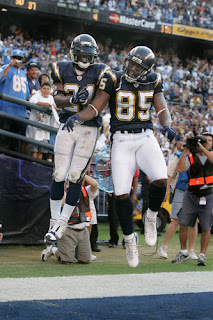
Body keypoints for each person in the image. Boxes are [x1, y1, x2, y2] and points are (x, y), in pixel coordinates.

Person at [63, 46, 176, 267]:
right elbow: (96, 107)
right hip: (121, 140)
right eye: (131, 63)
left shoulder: (154, 79)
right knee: (122, 194)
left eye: (138, 66)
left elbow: (162, 108)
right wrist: (78, 116)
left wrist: (167, 125)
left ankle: (151, 216)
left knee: (161, 179)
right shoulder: (113, 79)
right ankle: (129, 239)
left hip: (145, 136)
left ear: (147, 69)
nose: (132, 68)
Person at [44, 34, 110, 245]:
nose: (85, 59)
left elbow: (101, 100)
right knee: (59, 173)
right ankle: (53, 221)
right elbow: (57, 97)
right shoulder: (61, 68)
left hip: (88, 129)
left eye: (89, 55)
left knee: (75, 175)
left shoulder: (100, 71)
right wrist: (72, 99)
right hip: (67, 124)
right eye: (82, 55)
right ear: (74, 54)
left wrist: (80, 111)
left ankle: (62, 222)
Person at [172, 132, 213, 266]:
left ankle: (202, 255)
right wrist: (185, 150)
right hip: (191, 194)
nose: (206, 143)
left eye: (208, 141)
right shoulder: (190, 157)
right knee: (183, 223)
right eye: (203, 141)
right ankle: (183, 251)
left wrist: (203, 149)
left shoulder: (211, 155)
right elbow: (180, 168)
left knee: (206, 226)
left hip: (207, 194)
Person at [41, 174, 99, 264]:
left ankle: (75, 251)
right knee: (66, 260)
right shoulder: (62, 191)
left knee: (85, 260)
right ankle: (53, 249)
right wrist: (65, 186)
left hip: (82, 230)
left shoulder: (85, 191)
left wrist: (80, 173)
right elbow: (62, 202)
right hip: (68, 230)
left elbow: (95, 184)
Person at [158, 134, 198, 260]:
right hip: (181, 189)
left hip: (195, 190)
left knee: (194, 222)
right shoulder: (179, 155)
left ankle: (191, 249)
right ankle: (164, 247)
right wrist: (166, 191)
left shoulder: (199, 156)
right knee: (176, 219)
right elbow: (170, 173)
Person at [0, 49, 30, 152]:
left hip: (20, 112)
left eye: (20, 59)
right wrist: (9, 65)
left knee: (15, 144)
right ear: (11, 58)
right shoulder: (5, 68)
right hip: (7, 110)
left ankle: (12, 167)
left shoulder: (23, 74)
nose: (17, 60)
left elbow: (27, 95)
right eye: (15, 58)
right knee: (4, 141)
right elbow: (0, 77)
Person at [26, 82, 58, 159]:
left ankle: (38, 166)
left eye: (48, 89)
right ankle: (33, 165)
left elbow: (55, 107)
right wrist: (44, 104)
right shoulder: (37, 95)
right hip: (35, 128)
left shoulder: (51, 98)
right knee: (34, 150)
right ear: (41, 89)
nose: (46, 91)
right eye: (44, 88)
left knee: (41, 150)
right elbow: (32, 101)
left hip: (45, 129)